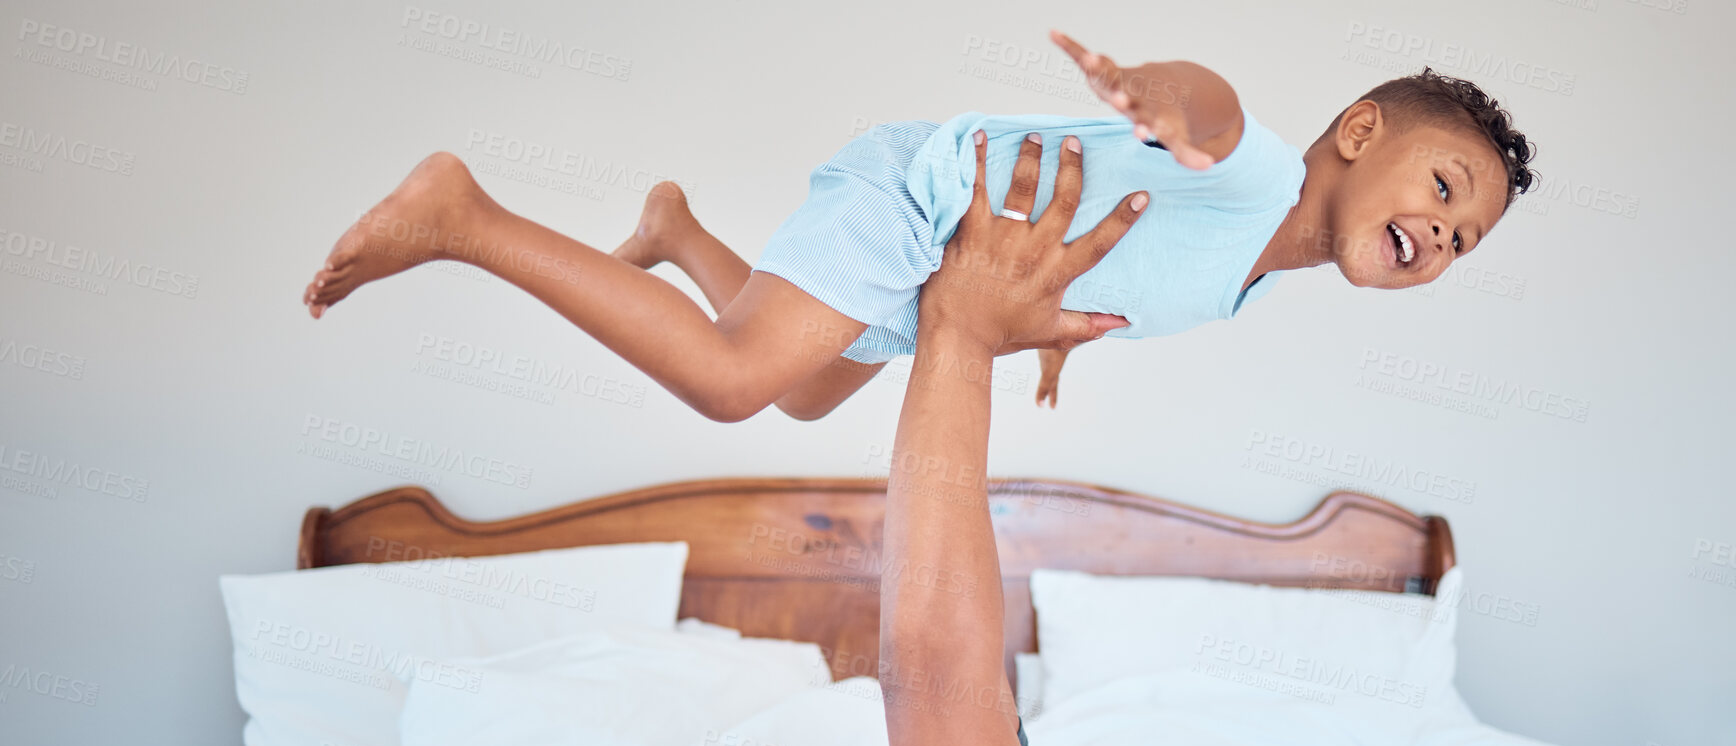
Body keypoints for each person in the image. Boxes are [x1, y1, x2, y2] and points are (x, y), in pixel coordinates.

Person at [3, 133, 1420, 746]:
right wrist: (962, 323)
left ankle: (491, 217)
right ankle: (676, 243)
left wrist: (968, 340)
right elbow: (965, 673)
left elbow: (929, 666)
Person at [300, 30, 1534, 419]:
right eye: (1443, 190)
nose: (1443, 234)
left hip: (963, 263)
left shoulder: (1256, 273)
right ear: (1362, 134)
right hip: (926, 195)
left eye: (1463, 239)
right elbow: (1211, 112)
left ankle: (676, 229)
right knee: (735, 382)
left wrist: (1048, 338)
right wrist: (1160, 93)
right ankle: (464, 215)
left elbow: (1136, 259)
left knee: (805, 392)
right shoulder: (1257, 175)